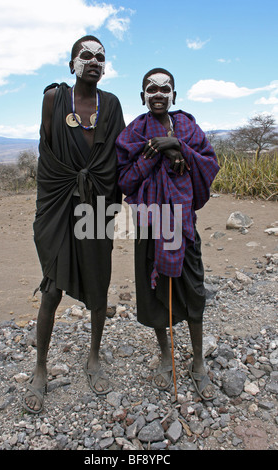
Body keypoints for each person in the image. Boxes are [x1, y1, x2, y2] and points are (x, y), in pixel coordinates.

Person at [23, 36, 125, 413]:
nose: (94, 61)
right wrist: (49, 210)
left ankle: (94, 357)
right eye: (86, 55)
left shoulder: (111, 104)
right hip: (60, 207)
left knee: (100, 285)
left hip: (97, 204)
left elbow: (121, 155)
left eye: (100, 56)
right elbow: (47, 160)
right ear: (71, 64)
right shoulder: (53, 99)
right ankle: (40, 369)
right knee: (52, 289)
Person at [116, 68, 219, 400]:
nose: (158, 93)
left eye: (165, 88)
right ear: (142, 95)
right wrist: (154, 153)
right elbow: (126, 181)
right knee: (153, 289)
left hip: (183, 224)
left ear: (174, 94)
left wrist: (178, 146)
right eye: (151, 88)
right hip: (149, 223)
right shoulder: (134, 132)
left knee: (193, 289)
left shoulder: (188, 125)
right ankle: (165, 356)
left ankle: (199, 362)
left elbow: (208, 164)